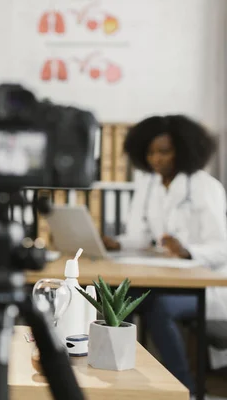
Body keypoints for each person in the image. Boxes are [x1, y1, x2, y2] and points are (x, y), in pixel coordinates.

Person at [102, 115, 227, 396]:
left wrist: (187, 250)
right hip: (167, 279)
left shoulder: (205, 187)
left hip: (208, 286)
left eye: (164, 151)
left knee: (159, 307)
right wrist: (117, 244)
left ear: (183, 150)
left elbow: (221, 248)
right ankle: (120, 381)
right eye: (151, 152)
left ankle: (184, 389)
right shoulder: (149, 184)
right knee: (119, 301)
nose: (156, 159)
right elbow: (139, 236)